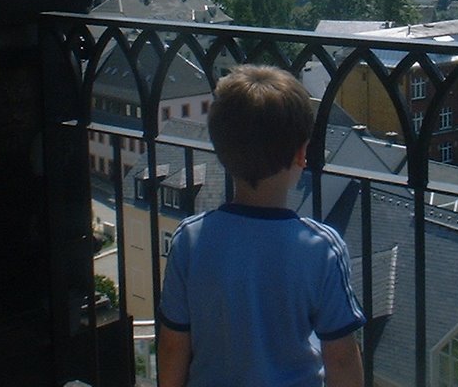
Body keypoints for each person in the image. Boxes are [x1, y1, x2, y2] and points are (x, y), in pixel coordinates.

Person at [157, 64, 366, 387]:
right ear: (301, 155)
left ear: (221, 151)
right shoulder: (322, 248)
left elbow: (173, 345)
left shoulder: (190, 238)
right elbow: (340, 357)